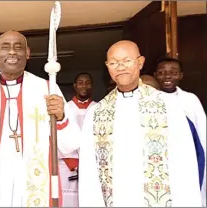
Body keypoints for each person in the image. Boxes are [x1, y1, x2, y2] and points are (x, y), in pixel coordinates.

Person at [0, 30, 80, 207]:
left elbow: (70, 146)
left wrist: (61, 118)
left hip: (32, 183)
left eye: (18, 47)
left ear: (27, 53)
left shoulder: (47, 89)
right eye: (5, 47)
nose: (12, 52)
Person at [79, 40, 202, 207]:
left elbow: (184, 162)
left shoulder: (168, 105)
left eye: (127, 61)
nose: (120, 67)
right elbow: (89, 170)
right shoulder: (96, 112)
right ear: (107, 66)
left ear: (140, 62)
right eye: (114, 63)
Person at [154, 57, 206, 206]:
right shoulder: (150, 100)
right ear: (156, 75)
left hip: (186, 161)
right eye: (162, 72)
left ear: (181, 75)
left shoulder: (190, 100)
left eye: (173, 72)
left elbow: (202, 134)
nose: (167, 76)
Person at [60, 72, 97, 207]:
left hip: (92, 165)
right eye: (80, 83)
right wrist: (73, 162)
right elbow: (58, 136)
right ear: (75, 86)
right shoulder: (65, 108)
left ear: (92, 86)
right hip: (66, 166)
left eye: (88, 83)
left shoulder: (98, 108)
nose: (84, 86)